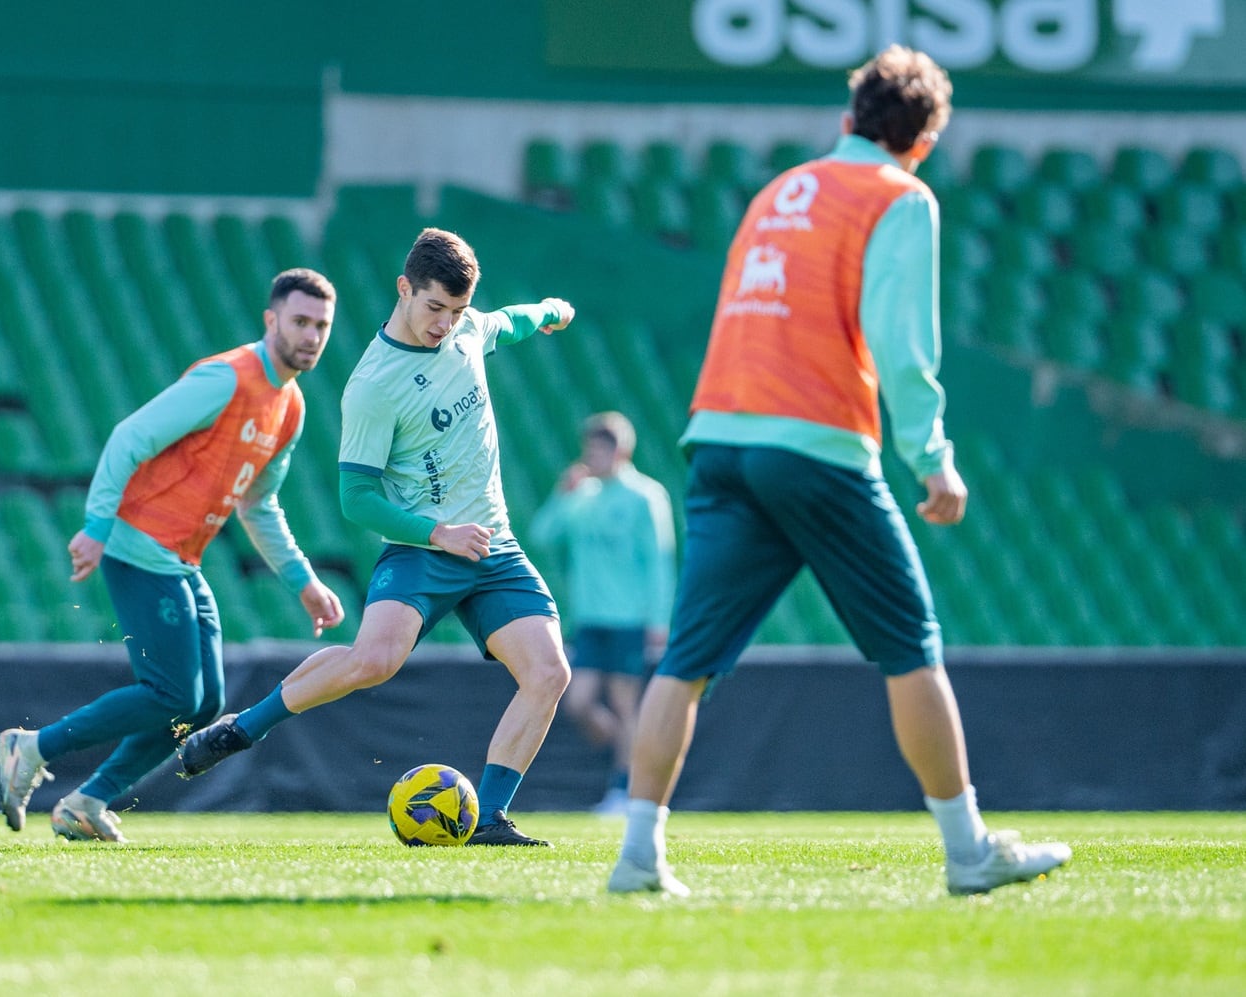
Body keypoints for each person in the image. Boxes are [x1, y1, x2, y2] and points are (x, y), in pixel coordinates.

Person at [607, 46, 1071, 896]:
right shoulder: (900, 196)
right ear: (922, 142)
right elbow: (902, 345)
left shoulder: (778, 191)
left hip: (718, 437)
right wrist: (934, 461)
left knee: (686, 660)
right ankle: (968, 850)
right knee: (912, 648)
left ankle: (637, 855)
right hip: (814, 446)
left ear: (848, 116)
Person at [177, 227, 575, 846]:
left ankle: (490, 817)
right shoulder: (372, 385)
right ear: (404, 289)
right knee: (374, 661)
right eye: (434, 307)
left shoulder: (468, 332)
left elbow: (510, 322)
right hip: (425, 548)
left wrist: (550, 311)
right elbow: (356, 499)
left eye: (457, 311)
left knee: (550, 672)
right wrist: (437, 533)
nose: (445, 324)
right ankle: (242, 729)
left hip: (492, 547)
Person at [0, 268, 347, 841]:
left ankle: (86, 802)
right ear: (271, 320)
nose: (310, 335)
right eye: (300, 321)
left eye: (321, 326)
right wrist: (96, 525)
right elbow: (129, 437)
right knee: (175, 693)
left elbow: (259, 505)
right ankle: (31, 748)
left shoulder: (291, 408)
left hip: (181, 557)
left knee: (203, 705)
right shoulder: (227, 378)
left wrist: (303, 580)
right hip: (139, 545)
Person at [529, 411, 675, 816]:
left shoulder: (645, 496)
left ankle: (624, 789)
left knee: (625, 702)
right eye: (590, 448)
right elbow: (543, 535)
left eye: (601, 448)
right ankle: (626, 753)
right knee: (577, 702)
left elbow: (659, 560)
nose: (594, 456)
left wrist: (658, 620)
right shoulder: (584, 497)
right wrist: (563, 493)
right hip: (590, 620)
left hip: (629, 619)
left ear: (621, 451)